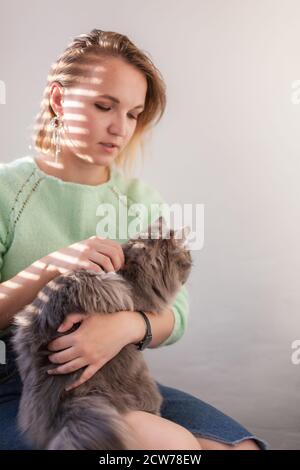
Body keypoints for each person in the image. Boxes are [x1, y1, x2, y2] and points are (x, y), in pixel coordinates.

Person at [0, 29, 267, 450]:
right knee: (160, 445)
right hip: (23, 387)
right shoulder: (7, 191)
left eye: (132, 114)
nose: (119, 128)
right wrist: (52, 265)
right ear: (57, 100)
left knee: (241, 447)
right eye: (104, 106)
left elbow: (175, 313)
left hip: (117, 373)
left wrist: (125, 326)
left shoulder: (139, 200)